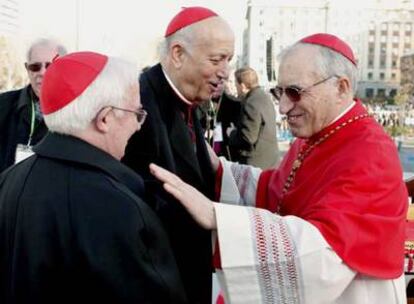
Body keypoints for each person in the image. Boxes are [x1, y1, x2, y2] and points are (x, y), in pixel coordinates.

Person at [150, 33, 407, 303]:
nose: (283, 107)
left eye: (295, 92)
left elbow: (324, 254)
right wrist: (221, 172)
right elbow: (278, 192)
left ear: (341, 88)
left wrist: (220, 219)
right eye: (279, 92)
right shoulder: (314, 135)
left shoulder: (370, 152)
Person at [0, 51, 187, 304]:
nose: (138, 125)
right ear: (105, 118)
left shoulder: (8, 179)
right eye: (136, 113)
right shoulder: (119, 207)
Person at [122, 6, 234, 304]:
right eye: (216, 60)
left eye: (229, 60)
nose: (225, 72)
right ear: (178, 54)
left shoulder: (186, 100)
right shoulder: (139, 105)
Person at [0, 38, 67, 172]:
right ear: (27, 69)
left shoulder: (78, 112)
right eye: (35, 67)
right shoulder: (3, 104)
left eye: (49, 65)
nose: (41, 73)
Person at [228, 67, 279, 169]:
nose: (236, 87)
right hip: (271, 159)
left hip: (256, 163)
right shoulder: (264, 96)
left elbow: (248, 138)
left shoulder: (251, 102)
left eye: (236, 84)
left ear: (242, 86)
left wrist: (231, 133)